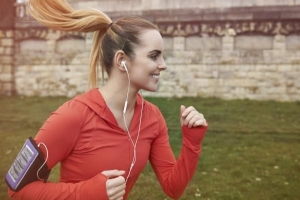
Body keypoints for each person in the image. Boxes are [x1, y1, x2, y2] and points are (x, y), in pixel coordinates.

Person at [8, 0, 208, 199]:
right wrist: (88, 192)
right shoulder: (72, 116)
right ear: (122, 60)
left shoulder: (152, 117)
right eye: (154, 56)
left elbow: (173, 188)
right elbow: (17, 190)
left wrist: (192, 142)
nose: (163, 65)